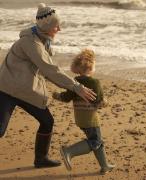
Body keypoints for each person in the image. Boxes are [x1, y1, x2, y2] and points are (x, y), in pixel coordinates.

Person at [0, 3, 96, 168]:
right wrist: (76, 87)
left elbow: (47, 70)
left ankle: (41, 159)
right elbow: (50, 70)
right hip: (7, 89)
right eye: (56, 26)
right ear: (46, 27)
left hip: (25, 90)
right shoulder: (31, 43)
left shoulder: (42, 39)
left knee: (47, 121)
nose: (59, 29)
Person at [53, 49, 115, 174]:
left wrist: (56, 95)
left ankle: (104, 166)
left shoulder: (75, 83)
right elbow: (98, 101)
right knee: (95, 141)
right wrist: (106, 102)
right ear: (91, 67)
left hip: (80, 119)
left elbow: (66, 97)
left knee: (97, 141)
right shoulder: (95, 82)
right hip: (90, 120)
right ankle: (68, 151)